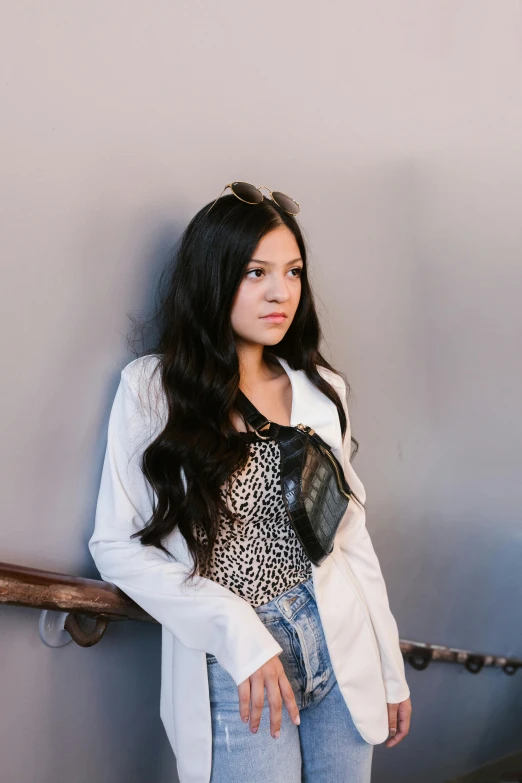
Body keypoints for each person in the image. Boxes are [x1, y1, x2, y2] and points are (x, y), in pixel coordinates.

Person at [88, 182, 412, 783]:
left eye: (292, 273)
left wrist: (389, 669)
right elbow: (115, 546)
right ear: (213, 278)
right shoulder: (155, 390)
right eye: (255, 272)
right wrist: (240, 634)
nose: (279, 292)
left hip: (339, 646)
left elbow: (352, 540)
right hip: (241, 661)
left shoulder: (322, 391)